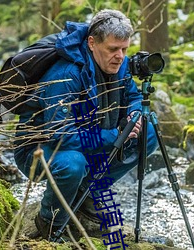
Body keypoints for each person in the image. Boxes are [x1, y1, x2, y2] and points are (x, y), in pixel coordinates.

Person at [14, 9, 158, 241]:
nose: (120, 56)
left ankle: (86, 194)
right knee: (73, 165)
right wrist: (115, 135)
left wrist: (134, 114)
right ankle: (49, 222)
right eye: (113, 49)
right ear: (92, 43)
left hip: (91, 135)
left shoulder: (118, 64)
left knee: (148, 133)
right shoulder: (65, 74)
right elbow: (60, 134)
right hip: (40, 149)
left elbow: (132, 96)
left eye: (125, 49)